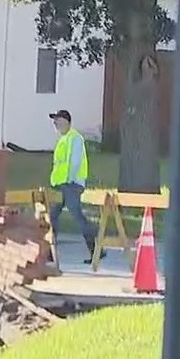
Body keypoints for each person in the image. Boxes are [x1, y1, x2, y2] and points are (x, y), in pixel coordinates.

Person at [48, 109, 104, 264]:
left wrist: (69, 180)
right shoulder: (62, 140)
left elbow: (75, 162)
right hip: (60, 185)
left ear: (66, 121)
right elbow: (59, 164)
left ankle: (97, 247)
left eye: (57, 120)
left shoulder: (75, 138)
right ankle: (50, 252)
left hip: (71, 185)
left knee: (78, 217)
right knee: (52, 216)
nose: (55, 123)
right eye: (54, 121)